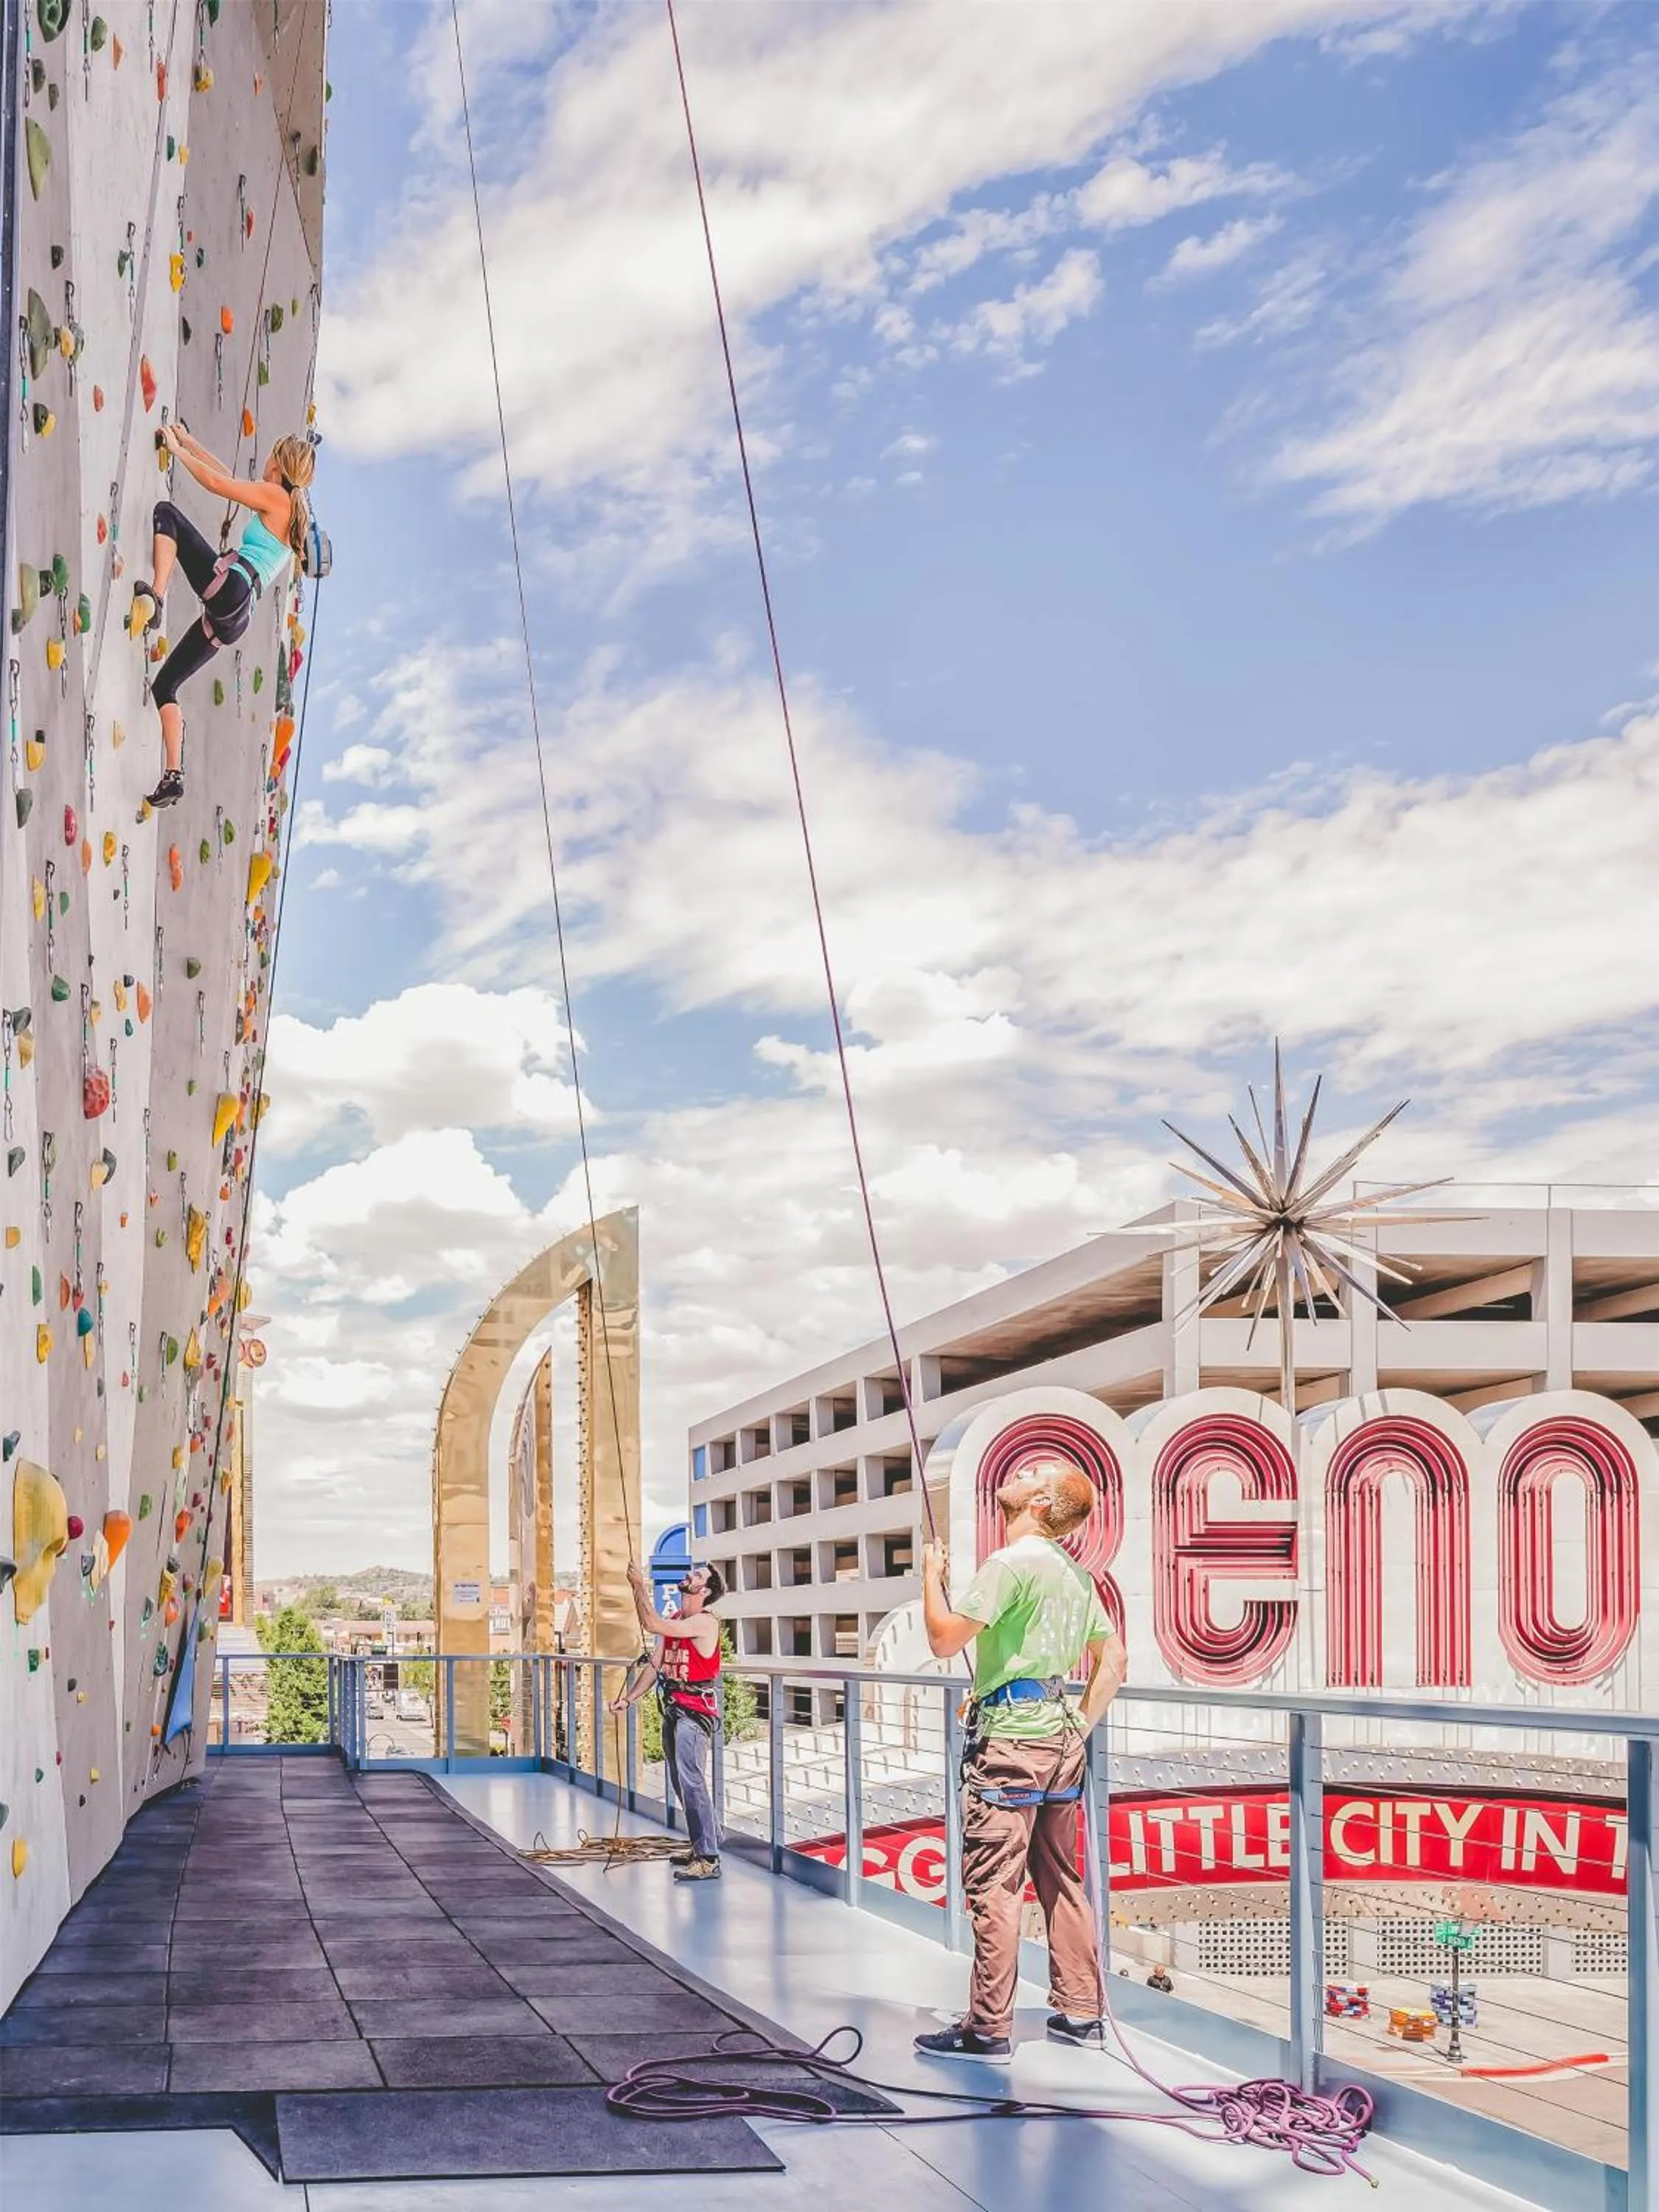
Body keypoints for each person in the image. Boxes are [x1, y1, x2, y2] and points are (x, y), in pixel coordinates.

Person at [915, 1458, 1128, 2062]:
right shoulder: (1075, 1574)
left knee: (996, 1885)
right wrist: (1077, 1727)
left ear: (1039, 1503)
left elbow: (944, 1640)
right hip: (1059, 1739)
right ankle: (1081, 2013)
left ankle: (987, 2029)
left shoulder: (1010, 1565)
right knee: (1061, 1876)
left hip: (1010, 1744)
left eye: (1035, 1472)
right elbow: (1114, 1662)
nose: (1022, 1471)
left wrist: (930, 1576)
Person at [129, 424, 316, 810]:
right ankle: (174, 775)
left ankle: (157, 597)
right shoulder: (286, 512)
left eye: (271, 453)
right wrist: (189, 442)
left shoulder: (277, 497)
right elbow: (227, 478)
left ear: (279, 463)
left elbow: (216, 484)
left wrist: (176, 451)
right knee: (165, 685)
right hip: (236, 619)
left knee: (166, 515)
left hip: (232, 587)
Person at [616, 1558, 726, 1882]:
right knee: (680, 1781)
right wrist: (629, 1698)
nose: (690, 1575)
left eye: (698, 1575)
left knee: (692, 1781)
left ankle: (708, 1858)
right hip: (676, 1707)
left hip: (695, 1712)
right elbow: (656, 1664)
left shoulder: (705, 1623)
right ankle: (703, 1844)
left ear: (705, 1591)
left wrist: (638, 1585)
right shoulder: (678, 1619)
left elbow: (650, 1623)